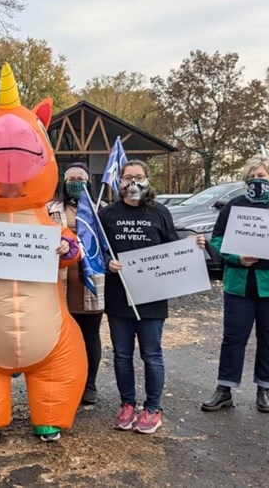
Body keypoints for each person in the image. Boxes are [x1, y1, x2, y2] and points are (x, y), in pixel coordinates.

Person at [100, 160, 206, 434]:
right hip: (119, 296)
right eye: (127, 177)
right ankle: (127, 404)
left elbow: (173, 248)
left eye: (138, 177)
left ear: (148, 179)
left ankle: (153, 408)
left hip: (152, 296)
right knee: (122, 355)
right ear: (119, 181)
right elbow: (95, 251)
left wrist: (193, 246)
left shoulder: (159, 212)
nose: (132, 182)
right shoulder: (108, 214)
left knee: (152, 354)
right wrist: (107, 263)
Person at [201, 155, 269, 414]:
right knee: (233, 337)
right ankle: (224, 388)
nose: (256, 180)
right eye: (251, 177)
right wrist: (236, 257)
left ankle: (264, 389)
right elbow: (216, 240)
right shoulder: (233, 207)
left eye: (261, 176)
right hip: (240, 283)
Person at [47, 162, 106, 405]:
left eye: (79, 179)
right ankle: (64, 382)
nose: (75, 183)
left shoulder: (100, 210)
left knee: (89, 335)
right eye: (70, 179)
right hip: (59, 282)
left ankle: (89, 384)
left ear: (88, 183)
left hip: (89, 282)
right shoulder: (50, 209)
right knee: (60, 337)